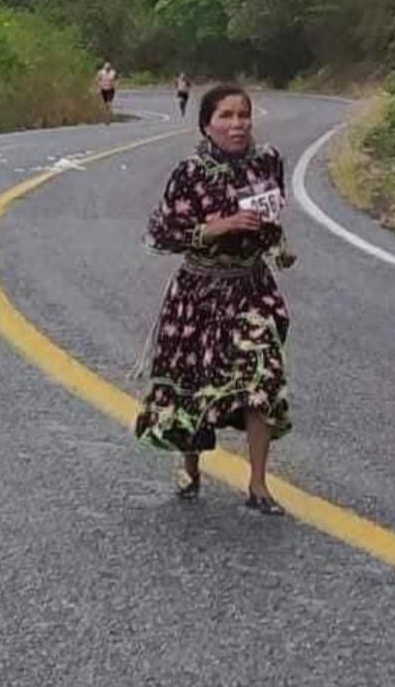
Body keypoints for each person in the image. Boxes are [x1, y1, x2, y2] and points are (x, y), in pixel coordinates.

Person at [133, 83, 295, 516]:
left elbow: (271, 217)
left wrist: (277, 246)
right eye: (226, 116)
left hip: (251, 289)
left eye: (243, 115)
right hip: (199, 294)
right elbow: (160, 234)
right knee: (195, 383)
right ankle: (189, 462)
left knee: (262, 376)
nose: (237, 124)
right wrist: (218, 227)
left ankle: (259, 483)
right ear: (207, 125)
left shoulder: (269, 161)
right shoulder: (190, 172)